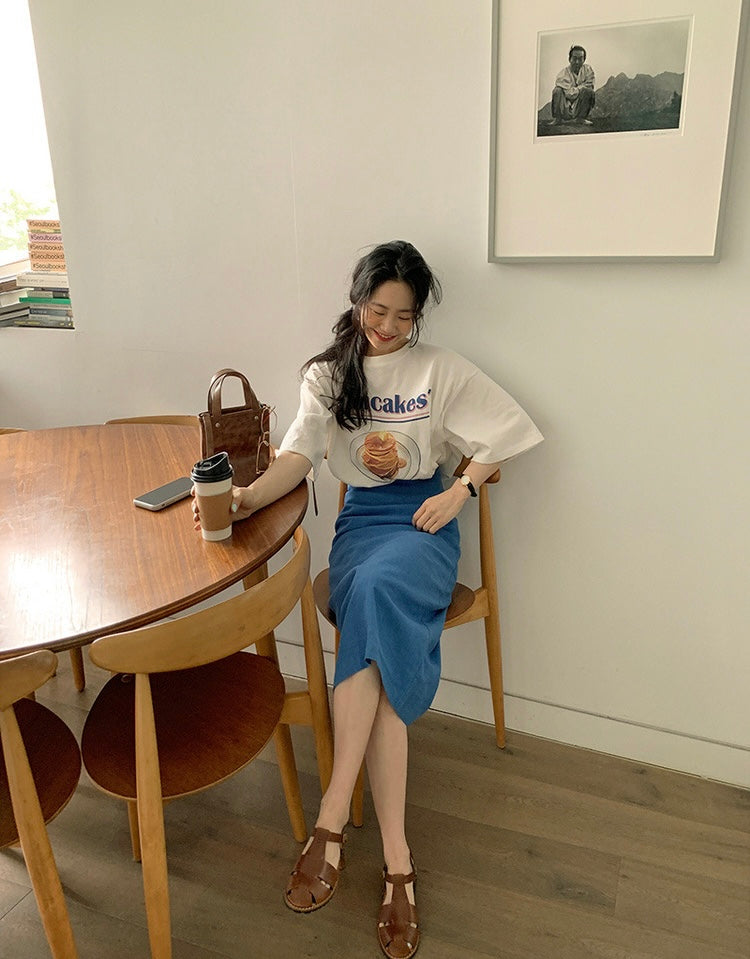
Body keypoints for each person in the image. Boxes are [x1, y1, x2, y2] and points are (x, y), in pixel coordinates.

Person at [193, 240, 543, 958]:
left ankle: (330, 823)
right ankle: (396, 859)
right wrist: (245, 497)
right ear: (357, 301)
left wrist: (459, 490)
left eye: (403, 317)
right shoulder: (328, 374)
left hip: (423, 525)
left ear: (419, 318)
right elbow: (299, 454)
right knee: (375, 621)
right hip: (362, 526)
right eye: (377, 310)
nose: (387, 328)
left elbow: (509, 428)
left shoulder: (440, 368)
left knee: (376, 599)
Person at [550, 44, 596, 125]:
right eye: (574, 58)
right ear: (569, 59)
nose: (577, 62)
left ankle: (581, 119)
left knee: (589, 92)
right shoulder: (562, 74)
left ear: (584, 60)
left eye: (580, 59)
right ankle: (558, 119)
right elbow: (569, 94)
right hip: (565, 105)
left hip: (580, 104)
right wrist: (581, 88)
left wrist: (576, 90)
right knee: (557, 91)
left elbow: (590, 85)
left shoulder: (588, 70)